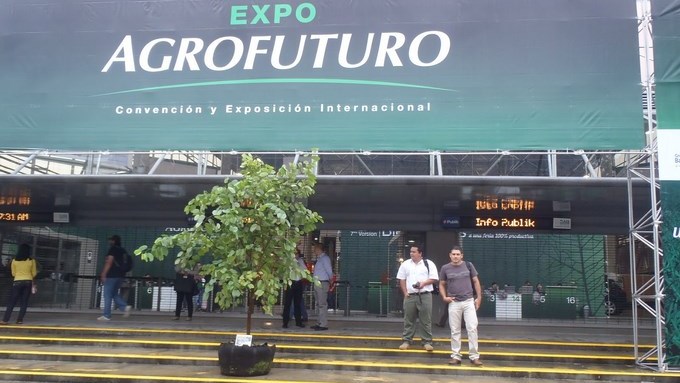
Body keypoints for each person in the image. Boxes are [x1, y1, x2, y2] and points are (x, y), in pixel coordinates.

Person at [438, 246, 483, 366]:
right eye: (453, 254)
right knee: (455, 330)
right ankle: (456, 356)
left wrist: (479, 297)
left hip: (469, 301)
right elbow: (441, 284)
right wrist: (444, 297)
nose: (455, 256)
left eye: (458, 254)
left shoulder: (468, 265)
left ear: (462, 255)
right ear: (450, 255)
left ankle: (474, 356)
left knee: (472, 328)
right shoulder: (445, 268)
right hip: (454, 302)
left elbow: (476, 281)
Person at [396, 244, 438, 351]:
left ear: (420, 253)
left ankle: (426, 342)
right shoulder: (405, 264)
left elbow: (434, 278)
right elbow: (402, 279)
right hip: (410, 295)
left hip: (425, 295)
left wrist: (424, 283)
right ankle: (406, 340)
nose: (411, 253)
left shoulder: (428, 264)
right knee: (408, 319)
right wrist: (405, 293)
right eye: (411, 251)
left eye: (414, 252)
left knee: (426, 320)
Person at [98, 235, 132, 321]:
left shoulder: (113, 249)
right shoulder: (123, 250)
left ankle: (106, 315)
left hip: (111, 275)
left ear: (113, 241)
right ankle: (124, 307)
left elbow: (109, 262)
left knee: (107, 295)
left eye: (110, 240)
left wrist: (103, 274)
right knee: (114, 293)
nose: (109, 242)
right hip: (120, 276)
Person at [1, 244, 37, 325]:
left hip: (17, 282)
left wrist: (19, 274)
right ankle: (19, 320)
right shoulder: (32, 261)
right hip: (28, 282)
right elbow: (34, 273)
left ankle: (5, 320)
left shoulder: (14, 261)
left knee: (12, 301)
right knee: (24, 302)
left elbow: (13, 273)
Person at [282, 248, 307, 328]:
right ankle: (285, 322)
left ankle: (298, 322)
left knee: (297, 303)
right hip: (290, 282)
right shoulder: (288, 262)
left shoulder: (300, 261)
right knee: (287, 303)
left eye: (297, 254)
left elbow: (305, 270)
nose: (296, 255)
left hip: (298, 282)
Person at [311, 243, 333, 331]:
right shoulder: (319, 259)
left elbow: (329, 270)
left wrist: (331, 279)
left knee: (322, 304)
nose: (314, 250)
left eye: (315, 249)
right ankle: (319, 322)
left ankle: (323, 324)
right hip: (317, 283)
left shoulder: (325, 259)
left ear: (319, 249)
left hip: (322, 283)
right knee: (318, 303)